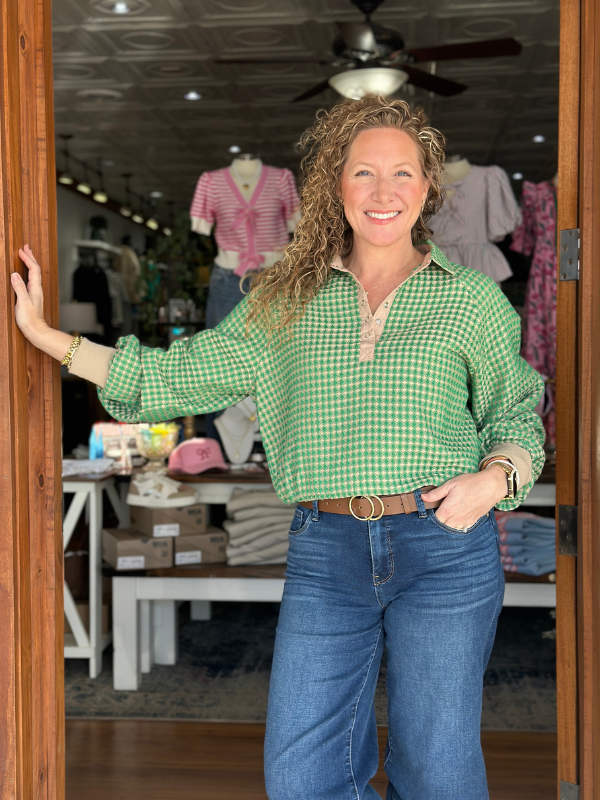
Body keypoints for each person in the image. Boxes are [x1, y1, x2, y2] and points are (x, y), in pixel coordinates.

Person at [12, 96, 545, 800]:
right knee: (301, 776)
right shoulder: (282, 300)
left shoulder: (472, 299)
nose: (383, 193)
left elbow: (516, 410)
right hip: (327, 549)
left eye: (402, 174)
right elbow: (170, 376)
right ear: (335, 185)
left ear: (427, 186)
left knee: (438, 771)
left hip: (443, 544)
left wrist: (497, 477)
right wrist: (48, 335)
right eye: (363, 173)